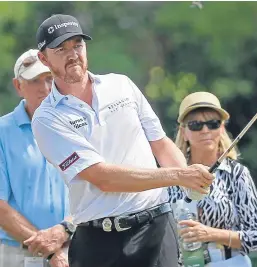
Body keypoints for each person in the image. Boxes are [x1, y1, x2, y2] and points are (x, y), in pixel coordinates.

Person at [32, 14, 214, 267]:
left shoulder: (122, 85)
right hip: (98, 242)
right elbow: (103, 178)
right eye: (61, 49)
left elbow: (160, 144)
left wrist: (191, 181)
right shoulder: (46, 118)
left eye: (77, 45)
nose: (72, 54)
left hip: (157, 229)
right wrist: (178, 176)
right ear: (43, 58)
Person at [168, 92, 257, 267]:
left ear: (222, 128)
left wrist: (210, 234)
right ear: (184, 132)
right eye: (196, 125)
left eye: (213, 124)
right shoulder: (170, 176)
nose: (205, 130)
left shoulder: (237, 174)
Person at [0, 49, 73, 267]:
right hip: (18, 254)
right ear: (18, 86)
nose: (45, 89)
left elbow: (93, 190)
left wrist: (63, 232)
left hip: (72, 248)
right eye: (34, 81)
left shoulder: (75, 126)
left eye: (50, 78)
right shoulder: (2, 132)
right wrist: (49, 251)